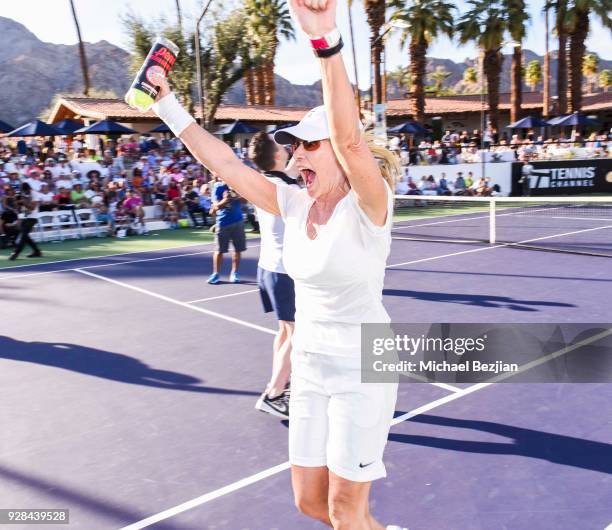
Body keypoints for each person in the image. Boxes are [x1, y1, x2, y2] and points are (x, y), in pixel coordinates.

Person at [149, 0, 405, 526]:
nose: (296, 158)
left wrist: (325, 39)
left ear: (338, 148)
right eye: (292, 150)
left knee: (344, 508)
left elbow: (353, 139)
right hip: (311, 364)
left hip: (365, 364)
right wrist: (166, 104)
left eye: (310, 146)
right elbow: (221, 159)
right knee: (311, 503)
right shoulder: (292, 202)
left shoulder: (369, 206)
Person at [248, 132, 298, 419]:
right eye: (283, 146)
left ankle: (277, 381)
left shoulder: (265, 181)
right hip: (284, 270)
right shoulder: (288, 191)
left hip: (267, 268)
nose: (287, 148)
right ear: (278, 156)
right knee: (299, 334)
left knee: (285, 331)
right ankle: (274, 394)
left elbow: (287, 173)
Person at [207, 174, 247, 284]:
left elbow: (245, 201)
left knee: (237, 250)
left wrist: (237, 195)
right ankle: (215, 274)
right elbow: (214, 207)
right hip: (223, 223)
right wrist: (224, 200)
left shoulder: (237, 185)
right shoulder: (217, 187)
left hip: (238, 222)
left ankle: (234, 273)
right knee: (219, 251)